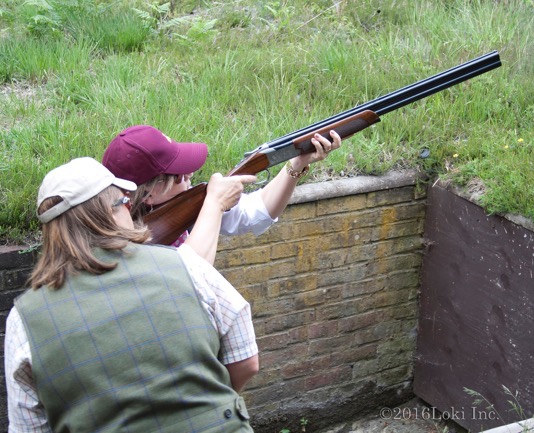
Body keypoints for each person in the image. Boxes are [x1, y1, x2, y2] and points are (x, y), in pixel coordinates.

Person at [4, 157, 258, 433]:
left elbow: (29, 427)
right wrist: (203, 404)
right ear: (109, 213)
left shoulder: (24, 320)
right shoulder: (186, 265)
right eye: (125, 202)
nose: (131, 209)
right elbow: (246, 358)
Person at [101, 124, 341, 262]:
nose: (190, 175)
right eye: (179, 175)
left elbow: (258, 212)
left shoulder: (177, 206)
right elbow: (192, 277)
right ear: (147, 196)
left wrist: (297, 165)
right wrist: (214, 203)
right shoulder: (117, 246)